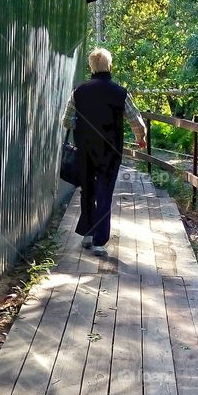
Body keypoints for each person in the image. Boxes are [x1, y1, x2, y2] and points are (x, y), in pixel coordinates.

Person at [62, 48, 147, 257]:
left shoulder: (79, 91)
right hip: (110, 151)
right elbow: (136, 121)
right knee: (104, 193)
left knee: (87, 190)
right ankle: (100, 242)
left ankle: (88, 234)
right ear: (109, 65)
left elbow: (67, 121)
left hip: (85, 149)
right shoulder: (120, 93)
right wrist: (141, 138)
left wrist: (81, 126)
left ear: (91, 66)